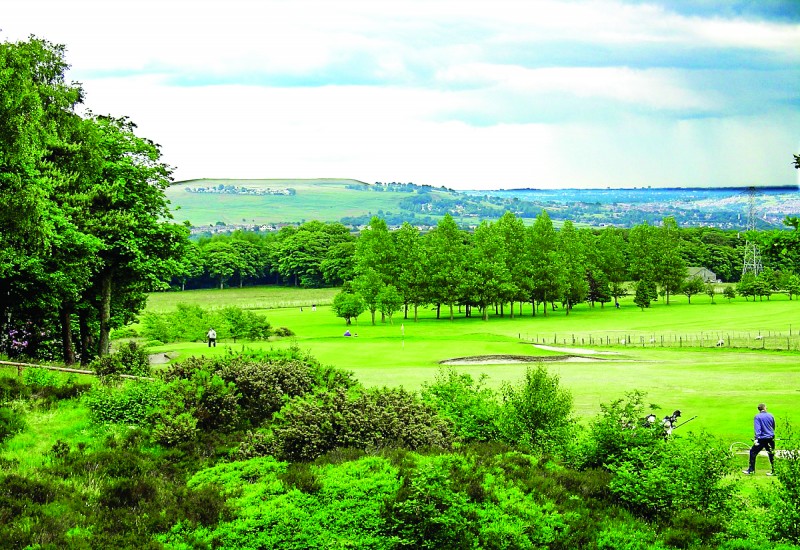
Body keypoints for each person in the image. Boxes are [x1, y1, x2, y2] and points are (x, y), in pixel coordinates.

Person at [743, 403, 775, 475]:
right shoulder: (771, 415)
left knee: (753, 452)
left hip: (762, 439)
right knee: (771, 454)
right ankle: (774, 471)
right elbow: (773, 426)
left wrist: (756, 438)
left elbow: (758, 429)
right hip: (770, 437)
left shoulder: (757, 417)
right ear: (764, 408)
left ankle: (751, 470)